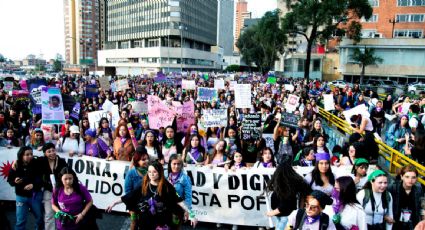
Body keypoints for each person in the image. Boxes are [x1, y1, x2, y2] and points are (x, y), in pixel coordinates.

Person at [106, 161, 197, 229]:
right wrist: (114, 203)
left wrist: (191, 214)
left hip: (161, 223)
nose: (151, 174)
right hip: (145, 223)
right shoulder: (144, 185)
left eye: (154, 172)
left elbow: (180, 201)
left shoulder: (167, 186)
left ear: (160, 172)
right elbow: (129, 196)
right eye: (149, 172)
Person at [266, 156, 311, 229]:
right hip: (283, 217)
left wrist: (273, 212)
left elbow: (284, 206)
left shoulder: (286, 188)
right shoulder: (286, 187)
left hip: (285, 217)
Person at [7, 146, 43, 230]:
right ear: (21, 155)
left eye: (31, 154)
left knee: (40, 219)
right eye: (27, 154)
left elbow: (42, 180)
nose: (30, 156)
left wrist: (33, 185)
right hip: (21, 197)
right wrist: (15, 181)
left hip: (35, 196)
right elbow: (10, 181)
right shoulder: (15, 165)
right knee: (20, 221)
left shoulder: (37, 163)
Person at [38, 143, 67, 230]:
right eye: (49, 151)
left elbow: (68, 174)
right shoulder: (41, 161)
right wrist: (16, 162)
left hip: (61, 191)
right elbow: (27, 160)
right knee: (49, 215)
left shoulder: (62, 161)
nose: (52, 153)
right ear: (45, 153)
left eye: (53, 150)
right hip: (48, 191)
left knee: (62, 213)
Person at [388, 165, 423, 230]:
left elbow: (422, 207)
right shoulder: (393, 188)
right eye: (407, 177)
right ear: (401, 177)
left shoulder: (418, 189)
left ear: (416, 179)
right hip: (395, 222)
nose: (410, 180)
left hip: (412, 223)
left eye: (413, 177)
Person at [167, 154, 194, 227]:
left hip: (178, 209)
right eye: (174, 164)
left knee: (175, 227)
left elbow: (188, 196)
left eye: (178, 164)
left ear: (181, 165)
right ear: (170, 164)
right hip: (165, 208)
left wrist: (187, 210)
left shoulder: (185, 178)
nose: (176, 166)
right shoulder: (165, 175)